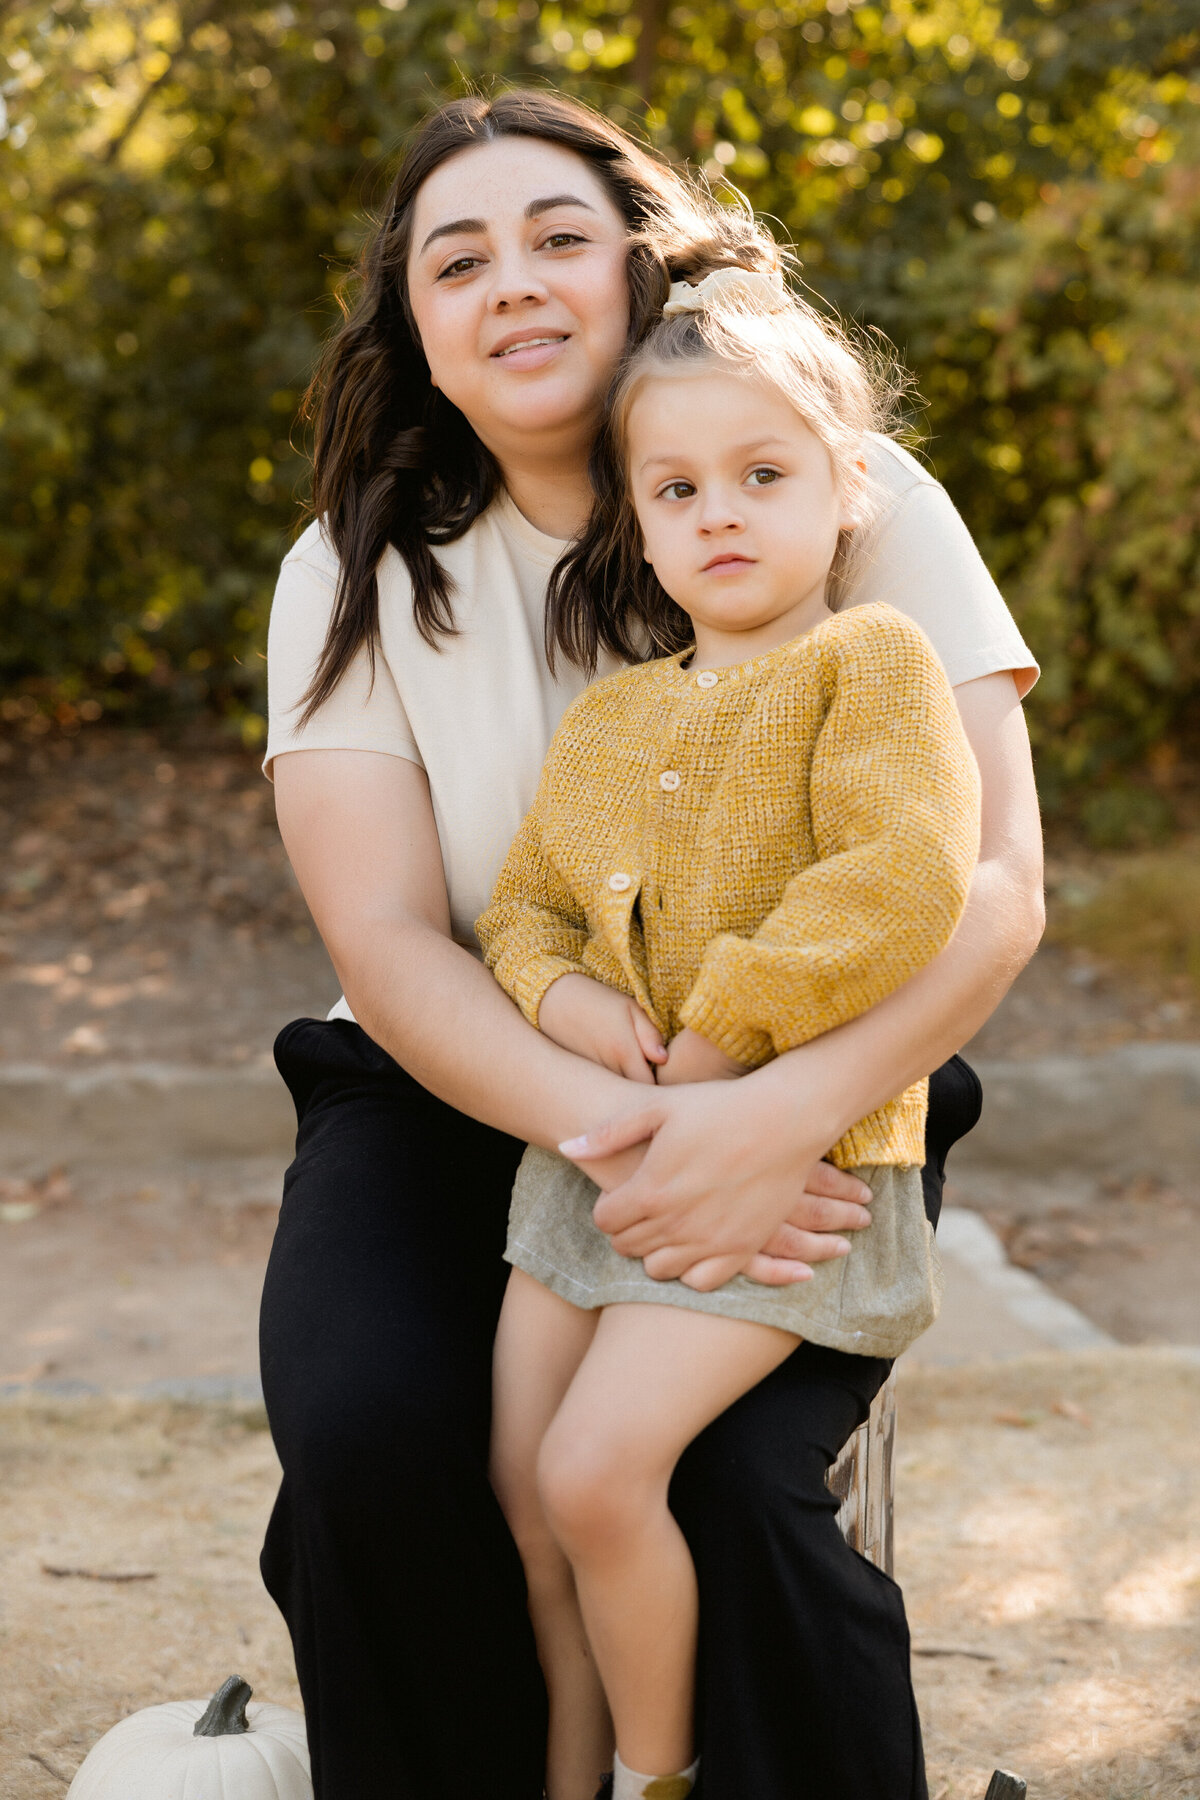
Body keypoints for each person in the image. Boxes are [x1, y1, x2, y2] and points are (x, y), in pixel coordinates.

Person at [260, 88, 1042, 1800]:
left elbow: (991, 887)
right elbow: (392, 939)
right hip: (454, 1076)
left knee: (722, 1484)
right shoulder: (352, 566)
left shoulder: (840, 479)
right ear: (419, 327)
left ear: (640, 268)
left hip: (814, 1080)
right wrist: (619, 1121)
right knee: (377, 1437)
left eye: (559, 238)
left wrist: (762, 1115)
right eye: (458, 261)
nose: (515, 283)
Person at [477, 266, 983, 1800]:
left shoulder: (870, 665)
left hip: (792, 1161)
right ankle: (569, 1774)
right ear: (634, 518)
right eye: (677, 487)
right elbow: (523, 912)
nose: (720, 514)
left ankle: (662, 1776)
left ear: (845, 487)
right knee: (521, 1484)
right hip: (601, 1159)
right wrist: (571, 1007)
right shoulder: (613, 721)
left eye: (763, 476)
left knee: (595, 1469)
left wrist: (723, 1039)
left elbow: (902, 881)